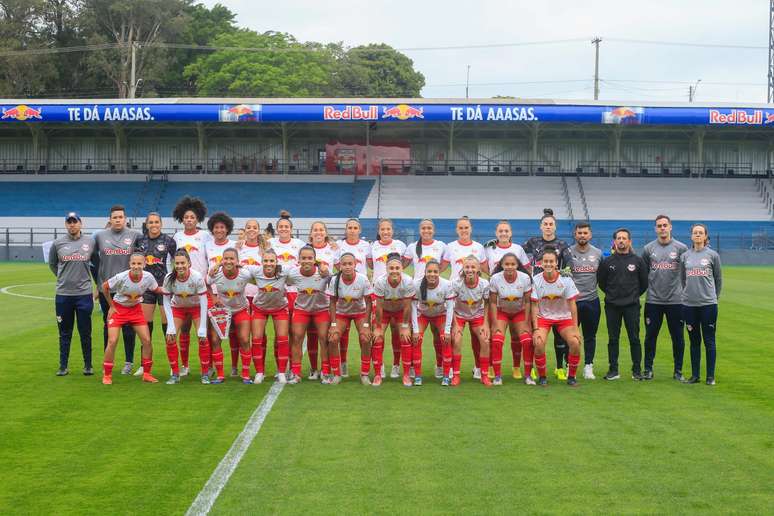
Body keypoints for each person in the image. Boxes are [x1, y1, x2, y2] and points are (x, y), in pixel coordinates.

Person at [522, 208, 574, 380]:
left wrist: (565, 274)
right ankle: (535, 367)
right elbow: (518, 254)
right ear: (540, 226)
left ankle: (560, 367)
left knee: (560, 336)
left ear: (555, 227)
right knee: (534, 334)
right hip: (537, 289)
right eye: (545, 224)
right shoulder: (533, 242)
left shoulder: (562, 245)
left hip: (555, 289)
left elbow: (569, 264)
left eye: (551, 224)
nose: (548, 227)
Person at [92, 204, 141, 375]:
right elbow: (92, 259)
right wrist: (98, 283)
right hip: (108, 289)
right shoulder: (99, 236)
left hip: (128, 290)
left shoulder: (135, 235)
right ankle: (108, 362)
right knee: (108, 325)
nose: (118, 220)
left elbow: (141, 259)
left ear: (125, 219)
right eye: (115, 217)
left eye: (121, 217)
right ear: (110, 220)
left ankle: (129, 362)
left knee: (129, 327)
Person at [101, 252, 164, 385]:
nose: (136, 266)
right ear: (129, 264)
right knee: (112, 341)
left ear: (145, 264)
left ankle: (147, 374)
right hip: (118, 310)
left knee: (147, 340)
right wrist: (111, 306)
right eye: (133, 263)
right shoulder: (122, 276)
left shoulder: (148, 277)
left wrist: (173, 289)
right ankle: (107, 374)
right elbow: (105, 287)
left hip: (135, 310)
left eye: (139, 263)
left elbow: (157, 289)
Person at [597, 228, 648, 380]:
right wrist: (613, 295)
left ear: (629, 241)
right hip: (612, 306)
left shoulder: (638, 261)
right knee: (613, 339)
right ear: (614, 242)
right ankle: (613, 370)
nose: (621, 241)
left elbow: (644, 284)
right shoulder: (607, 262)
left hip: (631, 306)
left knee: (634, 338)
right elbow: (602, 283)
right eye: (618, 238)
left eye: (624, 238)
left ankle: (636, 371)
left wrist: (632, 296)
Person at [641, 214, 689, 381]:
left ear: (670, 227)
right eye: (659, 226)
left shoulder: (681, 248)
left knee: (678, 337)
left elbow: (686, 274)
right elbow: (644, 273)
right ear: (655, 228)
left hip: (676, 301)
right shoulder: (648, 249)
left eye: (664, 225)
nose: (662, 228)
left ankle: (678, 371)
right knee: (650, 337)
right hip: (653, 301)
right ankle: (648, 369)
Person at [49, 212, 96, 376]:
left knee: (85, 331)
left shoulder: (90, 242)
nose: (72, 225)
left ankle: (88, 365)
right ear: (65, 225)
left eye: (74, 222)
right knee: (64, 332)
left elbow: (95, 263)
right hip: (63, 295)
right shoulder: (58, 243)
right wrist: (64, 279)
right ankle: (63, 366)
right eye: (69, 222)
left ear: (80, 223)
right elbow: (53, 265)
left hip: (84, 294)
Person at [441, 216, 488, 379]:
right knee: (455, 338)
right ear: (457, 230)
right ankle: (454, 371)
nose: (463, 230)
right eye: (460, 228)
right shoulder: (450, 247)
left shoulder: (479, 247)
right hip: (458, 295)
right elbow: (442, 267)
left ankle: (479, 369)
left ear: (471, 229)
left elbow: (485, 268)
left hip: (475, 299)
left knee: (479, 339)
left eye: (466, 227)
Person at [529, 247, 583, 387]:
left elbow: (572, 305)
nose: (548, 264)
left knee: (575, 342)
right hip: (543, 317)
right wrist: (535, 329)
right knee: (539, 342)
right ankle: (542, 377)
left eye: (551, 261)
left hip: (564, 318)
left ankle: (571, 377)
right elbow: (534, 306)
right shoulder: (536, 280)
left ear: (556, 263)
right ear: (541, 263)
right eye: (545, 261)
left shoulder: (566, 280)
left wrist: (576, 328)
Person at [132, 212, 176, 376]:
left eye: (156, 222)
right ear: (146, 224)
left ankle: (173, 365)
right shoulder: (140, 241)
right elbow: (135, 263)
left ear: (161, 223)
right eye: (151, 222)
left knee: (168, 326)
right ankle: (144, 364)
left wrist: (172, 283)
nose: (154, 225)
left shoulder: (169, 241)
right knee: (145, 327)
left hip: (164, 288)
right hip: (146, 289)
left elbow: (175, 262)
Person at [171, 196, 211, 374]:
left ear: (198, 219)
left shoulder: (204, 236)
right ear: (182, 218)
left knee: (203, 330)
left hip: (201, 288)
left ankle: (207, 366)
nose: (189, 220)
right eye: (186, 217)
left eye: (192, 217)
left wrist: (208, 280)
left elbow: (210, 258)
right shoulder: (177, 237)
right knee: (184, 329)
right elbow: (169, 261)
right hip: (181, 288)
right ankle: (185, 366)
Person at [404, 219, 447, 377]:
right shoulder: (411, 247)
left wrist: (436, 275)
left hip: (435, 290)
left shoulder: (441, 245)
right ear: (420, 230)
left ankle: (440, 365)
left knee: (439, 335)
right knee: (415, 335)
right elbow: (402, 265)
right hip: (418, 292)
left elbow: (446, 263)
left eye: (429, 228)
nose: (426, 230)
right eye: (423, 228)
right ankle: (415, 367)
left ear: (433, 230)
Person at [680, 224, 722, 385]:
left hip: (708, 305)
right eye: (695, 233)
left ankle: (710, 376)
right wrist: (688, 295)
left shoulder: (713, 255)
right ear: (691, 236)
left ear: (705, 237)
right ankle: (695, 375)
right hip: (689, 305)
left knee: (709, 340)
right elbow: (682, 279)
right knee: (694, 340)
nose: (697, 235)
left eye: (700, 233)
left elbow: (718, 279)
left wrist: (713, 297)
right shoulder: (685, 256)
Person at [207, 248, 255, 384]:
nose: (228, 261)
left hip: (240, 309)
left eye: (232, 259)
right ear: (222, 261)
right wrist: (213, 297)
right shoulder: (215, 273)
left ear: (237, 261)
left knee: (244, 340)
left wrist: (244, 266)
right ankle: (220, 375)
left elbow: (259, 277)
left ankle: (245, 374)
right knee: (215, 340)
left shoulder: (244, 274)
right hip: (222, 311)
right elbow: (206, 283)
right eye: (225, 259)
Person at [161, 250, 209, 384]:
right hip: (178, 308)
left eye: (183, 263)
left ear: (189, 263)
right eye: (177, 263)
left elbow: (204, 302)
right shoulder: (169, 278)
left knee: (203, 338)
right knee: (170, 338)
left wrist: (203, 327)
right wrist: (170, 326)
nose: (180, 266)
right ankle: (175, 374)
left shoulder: (197, 276)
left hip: (196, 308)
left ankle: (205, 373)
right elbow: (166, 301)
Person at [285, 246, 331, 384]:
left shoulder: (323, 273)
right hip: (302, 310)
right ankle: (296, 373)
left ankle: (326, 372)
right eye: (303, 258)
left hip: (321, 309)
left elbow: (336, 281)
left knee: (323, 339)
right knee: (297, 338)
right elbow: (282, 281)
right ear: (299, 260)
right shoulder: (293, 273)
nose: (306, 261)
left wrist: (326, 271)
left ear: (315, 259)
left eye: (310, 258)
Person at [326, 253, 374, 385]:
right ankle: (336, 374)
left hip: (360, 313)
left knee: (365, 338)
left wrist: (366, 324)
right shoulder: (335, 280)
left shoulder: (362, 279)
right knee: (333, 337)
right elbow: (332, 302)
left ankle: (364, 374)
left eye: (350, 264)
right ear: (340, 266)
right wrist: (334, 323)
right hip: (342, 314)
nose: (347, 267)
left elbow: (369, 302)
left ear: (355, 265)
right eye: (344, 264)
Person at [368, 219, 407, 378]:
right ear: (379, 231)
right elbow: (370, 265)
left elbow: (402, 263)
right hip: (378, 292)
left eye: (388, 229)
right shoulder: (372, 247)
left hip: (397, 292)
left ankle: (396, 365)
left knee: (396, 331)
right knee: (378, 330)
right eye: (382, 229)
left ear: (392, 230)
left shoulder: (401, 246)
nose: (385, 232)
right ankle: (380, 365)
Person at [488, 253, 532, 385]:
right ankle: (497, 376)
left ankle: (527, 374)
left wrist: (526, 322)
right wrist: (495, 322)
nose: (510, 267)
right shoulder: (495, 278)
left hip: (519, 312)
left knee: (526, 340)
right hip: (502, 312)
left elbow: (528, 302)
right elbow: (493, 303)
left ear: (517, 265)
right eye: (507, 264)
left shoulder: (524, 278)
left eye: (513, 264)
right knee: (497, 339)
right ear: (501, 265)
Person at [334, 218, 371, 376]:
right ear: (346, 229)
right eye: (349, 227)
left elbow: (372, 264)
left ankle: (366, 371)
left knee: (365, 336)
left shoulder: (366, 246)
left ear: (360, 230)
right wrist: (345, 275)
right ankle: (342, 365)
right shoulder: (339, 245)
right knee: (340, 336)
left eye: (355, 227)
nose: (352, 230)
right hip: (343, 291)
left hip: (361, 293)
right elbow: (337, 263)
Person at [372, 254, 415, 387]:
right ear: (386, 269)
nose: (394, 270)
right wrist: (378, 327)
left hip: (401, 312)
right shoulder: (380, 282)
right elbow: (378, 306)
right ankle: (378, 374)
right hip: (384, 312)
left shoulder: (408, 281)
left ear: (402, 268)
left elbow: (408, 307)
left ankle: (406, 375)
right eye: (391, 268)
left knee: (405, 337)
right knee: (377, 338)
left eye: (397, 268)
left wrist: (405, 325)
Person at [249, 249, 291, 384]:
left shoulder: (284, 271)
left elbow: (301, 272)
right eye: (266, 261)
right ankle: (259, 372)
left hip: (279, 308)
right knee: (256, 339)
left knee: (283, 339)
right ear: (261, 262)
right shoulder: (255, 271)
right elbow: (239, 269)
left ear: (276, 262)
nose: (268, 264)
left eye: (271, 261)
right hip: (260, 308)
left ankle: (282, 372)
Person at [204, 211, 238, 376]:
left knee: (233, 333)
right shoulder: (207, 245)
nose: (219, 230)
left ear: (227, 229)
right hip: (213, 295)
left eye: (222, 227)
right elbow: (206, 272)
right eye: (216, 227)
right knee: (213, 334)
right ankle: (211, 366)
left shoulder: (235, 245)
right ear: (212, 229)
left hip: (232, 296)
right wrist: (212, 295)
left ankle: (234, 366)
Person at [411, 259, 455, 384]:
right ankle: (418, 376)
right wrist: (415, 330)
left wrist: (447, 331)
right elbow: (413, 307)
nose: (432, 274)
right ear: (425, 272)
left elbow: (450, 307)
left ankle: (446, 375)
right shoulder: (416, 284)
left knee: (445, 339)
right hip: (423, 315)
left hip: (440, 315)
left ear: (439, 272)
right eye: (429, 271)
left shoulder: (446, 284)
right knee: (417, 339)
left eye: (435, 271)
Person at [450, 256, 491, 387]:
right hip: (459, 316)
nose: (470, 270)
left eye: (473, 267)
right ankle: (456, 375)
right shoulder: (456, 283)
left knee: (485, 340)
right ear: (463, 268)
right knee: (456, 340)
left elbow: (488, 304)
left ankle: (484, 375)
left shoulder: (484, 284)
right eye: (467, 267)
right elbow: (450, 304)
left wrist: (485, 324)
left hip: (477, 316)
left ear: (478, 269)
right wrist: (455, 325)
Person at [569, 222, 603, 380]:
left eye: (585, 233)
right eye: (579, 233)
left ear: (590, 235)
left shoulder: (598, 253)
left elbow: (603, 277)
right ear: (575, 235)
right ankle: (570, 364)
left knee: (590, 335)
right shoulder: (568, 252)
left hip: (591, 300)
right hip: (572, 302)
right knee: (570, 336)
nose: (582, 235)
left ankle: (588, 366)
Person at [305, 221, 338, 380]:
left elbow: (339, 274)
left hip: (326, 299)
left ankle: (327, 369)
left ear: (325, 233)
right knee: (311, 336)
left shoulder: (333, 250)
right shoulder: (304, 249)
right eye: (315, 230)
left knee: (324, 336)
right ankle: (313, 368)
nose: (318, 232)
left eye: (321, 230)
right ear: (311, 233)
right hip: (307, 298)